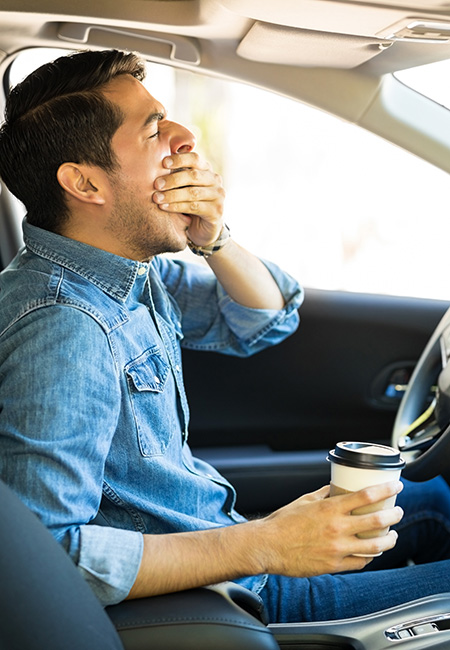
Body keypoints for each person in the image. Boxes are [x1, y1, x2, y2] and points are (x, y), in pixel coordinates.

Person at [1, 49, 450, 624]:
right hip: (235, 589)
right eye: (155, 130)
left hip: (225, 542)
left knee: (433, 501)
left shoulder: (120, 273)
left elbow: (264, 318)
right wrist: (268, 543)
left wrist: (214, 239)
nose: (185, 140)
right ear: (85, 182)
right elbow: (47, 556)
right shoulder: (67, 328)